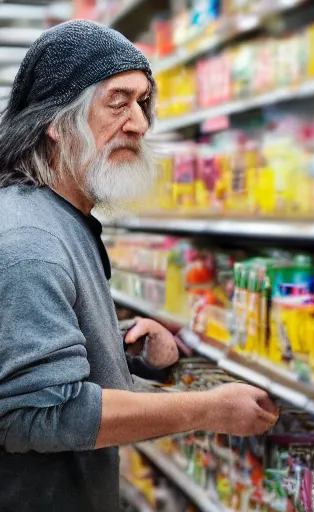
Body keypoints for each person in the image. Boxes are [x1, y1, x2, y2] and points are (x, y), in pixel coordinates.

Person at [0, 20, 279, 512]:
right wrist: (208, 409)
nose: (139, 124)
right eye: (117, 102)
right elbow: (36, 413)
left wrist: (125, 345)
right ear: (54, 120)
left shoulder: (61, 217)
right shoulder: (31, 238)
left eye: (142, 102)